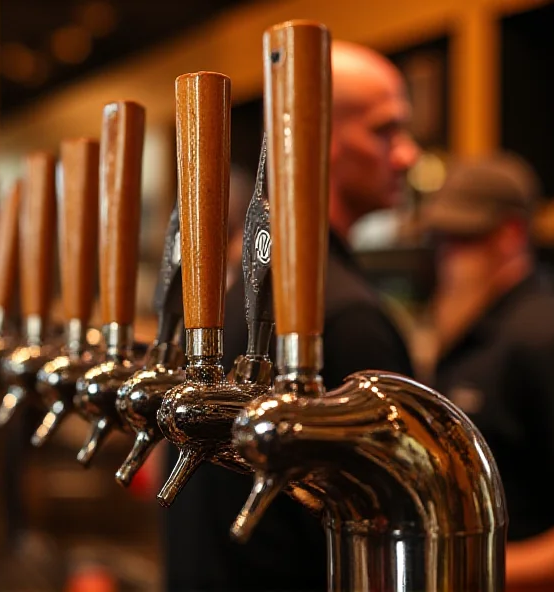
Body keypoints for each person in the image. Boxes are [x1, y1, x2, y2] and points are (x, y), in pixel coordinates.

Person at [163, 41, 419, 592]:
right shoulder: (345, 317)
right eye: (384, 131)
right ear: (314, 133)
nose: (408, 155)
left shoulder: (245, 290)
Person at [423, 153, 554, 591]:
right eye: (442, 240)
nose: (447, 257)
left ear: (510, 234)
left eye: (463, 239)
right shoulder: (479, 326)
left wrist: (462, 571)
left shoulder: (544, 341)